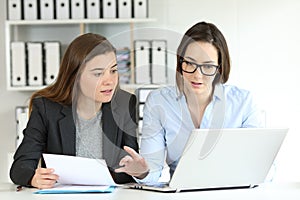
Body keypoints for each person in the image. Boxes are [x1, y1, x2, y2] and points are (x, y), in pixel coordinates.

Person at [115, 21, 264, 183]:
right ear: (180, 63)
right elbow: (153, 169)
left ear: (220, 68)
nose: (197, 75)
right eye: (190, 64)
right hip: (183, 193)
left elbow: (261, 165)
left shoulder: (243, 102)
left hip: (232, 190)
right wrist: (142, 172)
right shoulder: (159, 102)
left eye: (208, 66)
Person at [10, 33, 139, 188]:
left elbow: (129, 168)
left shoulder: (125, 104)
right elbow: (20, 167)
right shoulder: (46, 108)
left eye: (113, 70)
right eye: (98, 73)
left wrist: (137, 171)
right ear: (75, 76)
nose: (109, 81)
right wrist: (33, 178)